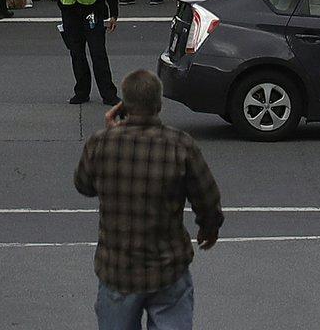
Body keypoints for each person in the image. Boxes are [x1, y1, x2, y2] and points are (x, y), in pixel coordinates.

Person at [74, 70, 223, 329]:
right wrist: (209, 228)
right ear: (159, 104)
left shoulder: (100, 143)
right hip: (168, 269)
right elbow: (207, 197)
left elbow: (84, 186)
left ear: (123, 105)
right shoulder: (180, 145)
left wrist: (112, 135)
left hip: (117, 270)